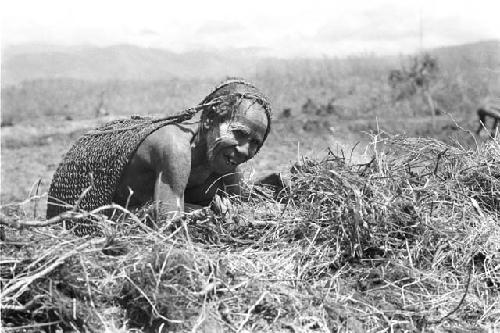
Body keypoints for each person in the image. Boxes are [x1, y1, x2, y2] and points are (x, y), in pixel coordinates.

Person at [46, 79, 272, 236]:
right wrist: (208, 216)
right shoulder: (175, 147)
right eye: (239, 134)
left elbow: (242, 209)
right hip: (89, 219)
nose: (244, 150)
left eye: (254, 143)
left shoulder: (225, 157)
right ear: (210, 120)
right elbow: (168, 231)